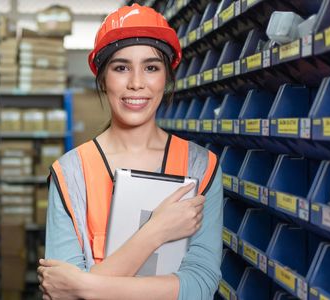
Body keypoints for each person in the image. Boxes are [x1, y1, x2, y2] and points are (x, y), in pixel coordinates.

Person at [37, 4, 223, 300]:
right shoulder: (71, 171)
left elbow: (199, 285)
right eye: (121, 67)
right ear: (103, 78)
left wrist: (84, 286)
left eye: (151, 67)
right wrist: (156, 231)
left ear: (166, 77)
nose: (136, 83)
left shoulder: (201, 166)